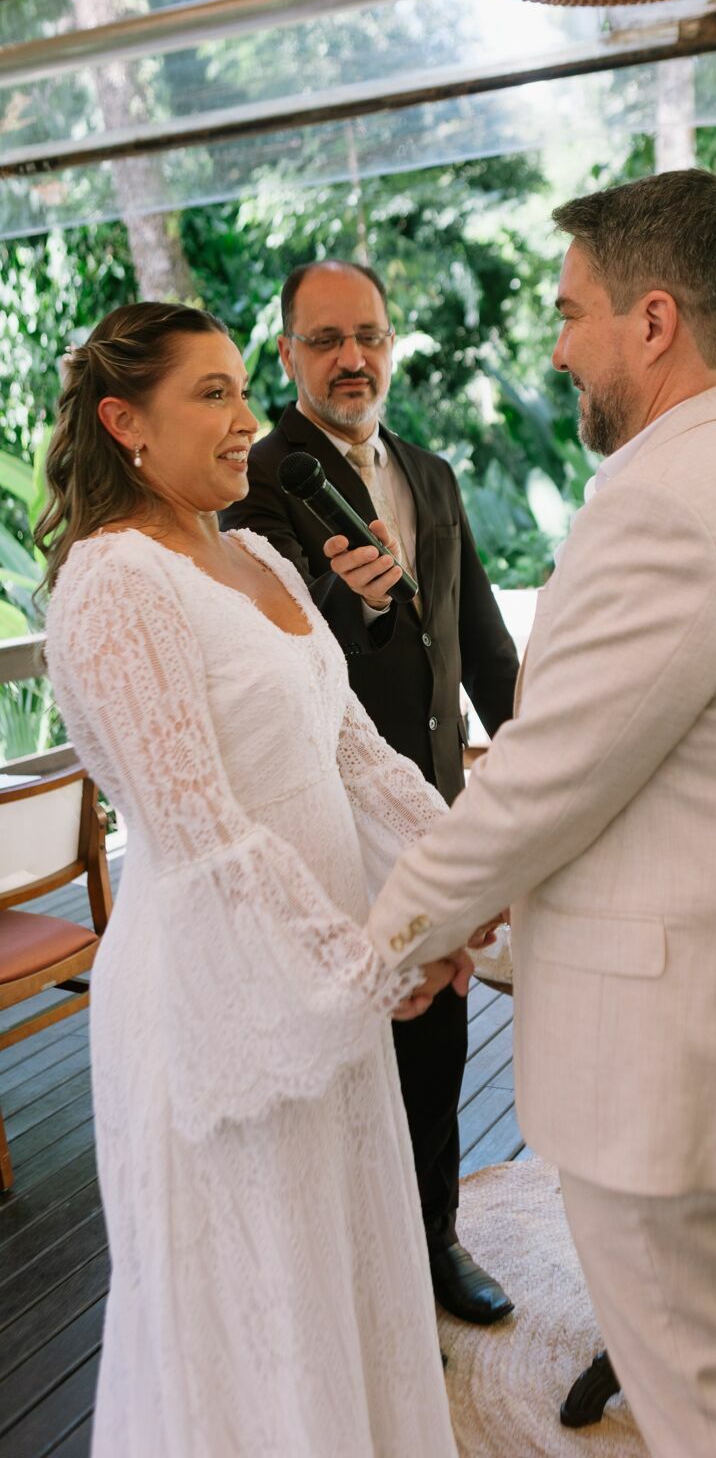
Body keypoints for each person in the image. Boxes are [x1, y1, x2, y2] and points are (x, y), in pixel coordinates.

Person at [358, 170, 716, 1456]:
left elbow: (544, 774)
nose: (554, 344)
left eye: (571, 310)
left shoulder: (659, 503)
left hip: (670, 1054)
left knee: (706, 1407)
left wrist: (403, 927)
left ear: (653, 322)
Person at [38, 302, 482, 1457]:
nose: (248, 423)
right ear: (122, 421)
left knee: (340, 1271)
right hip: (225, 996)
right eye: (213, 396)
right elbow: (201, 835)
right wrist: (369, 963)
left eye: (243, 390)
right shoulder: (112, 584)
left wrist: (468, 888)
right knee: (255, 1301)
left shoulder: (262, 553)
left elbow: (362, 764)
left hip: (326, 983)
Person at [221, 260, 518, 1325]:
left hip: (428, 806)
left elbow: (479, 643)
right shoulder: (252, 481)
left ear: (391, 343)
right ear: (289, 353)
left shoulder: (429, 474)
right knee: (345, 1046)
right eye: (326, 339)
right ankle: (352, 1266)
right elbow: (277, 664)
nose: (353, 358)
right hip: (324, 818)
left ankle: (433, 1239)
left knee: (436, 1036)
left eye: (370, 335)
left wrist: (531, 772)